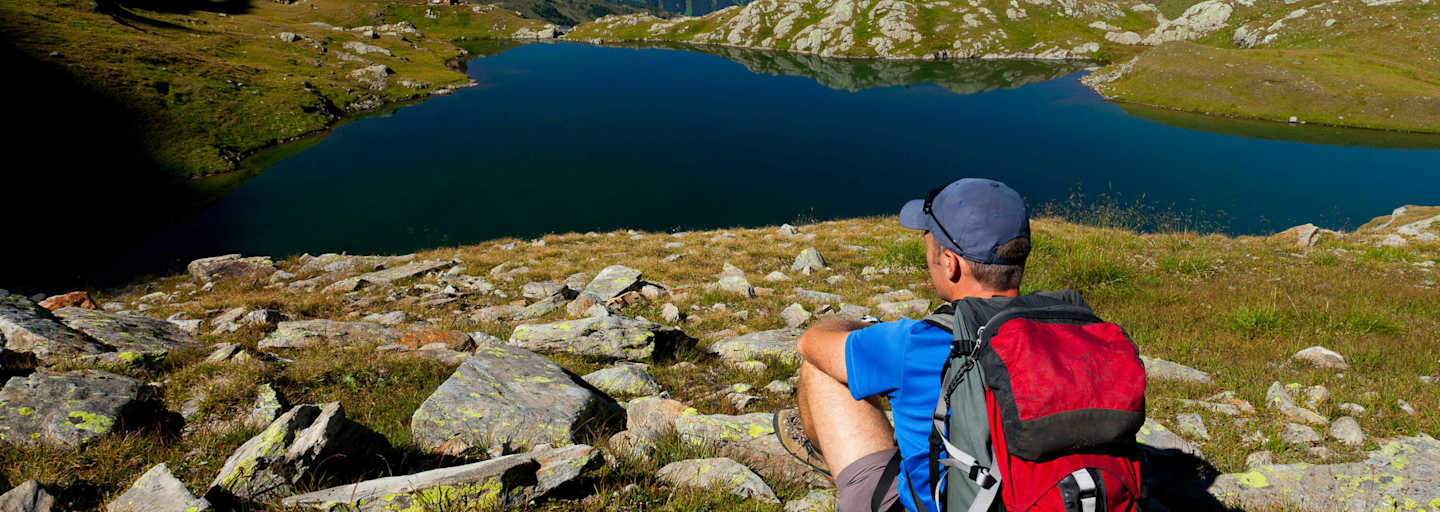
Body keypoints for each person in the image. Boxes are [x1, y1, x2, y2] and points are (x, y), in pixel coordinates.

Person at [776, 178, 1033, 512]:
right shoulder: (1077, 334)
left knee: (820, 368)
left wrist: (867, 329)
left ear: (951, 264)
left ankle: (825, 450)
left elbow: (811, 343)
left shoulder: (915, 342)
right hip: (1051, 498)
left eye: (931, 248)